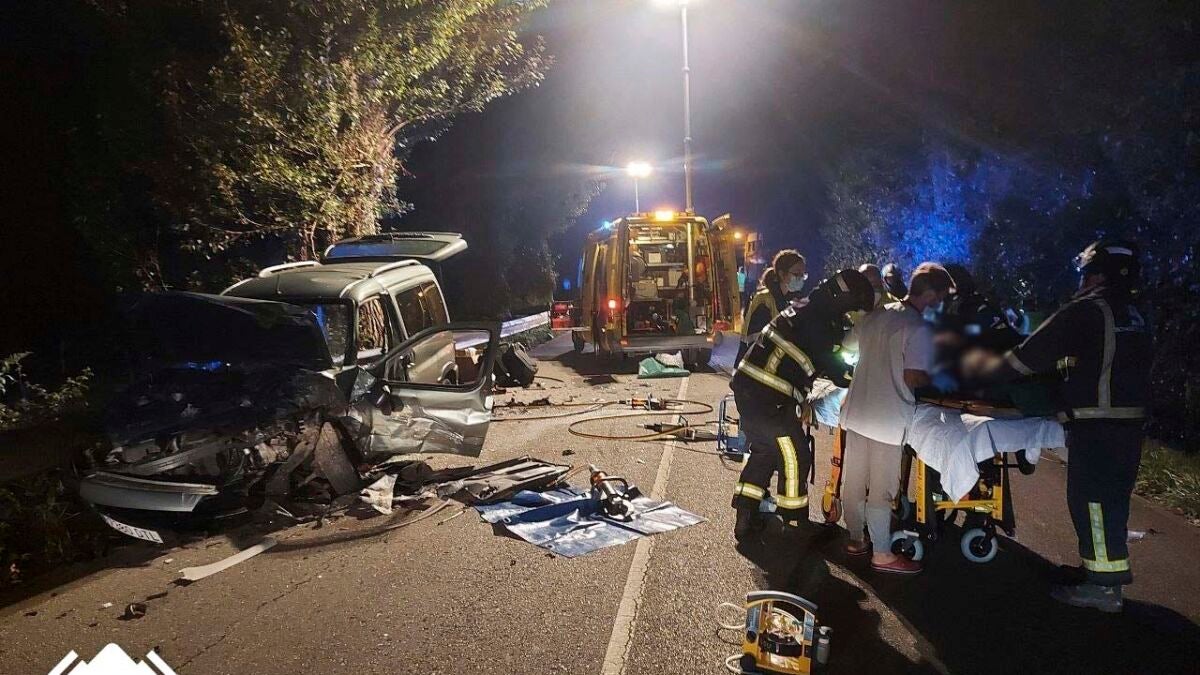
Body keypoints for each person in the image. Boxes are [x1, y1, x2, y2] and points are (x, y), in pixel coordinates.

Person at [964, 240, 1151, 612]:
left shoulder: (1087, 310)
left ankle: (1104, 589)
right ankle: (1098, 570)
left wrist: (982, 375)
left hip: (1097, 424)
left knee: (1092, 502)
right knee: (1112, 500)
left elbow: (1029, 356)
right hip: (1129, 422)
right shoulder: (1135, 313)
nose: (1083, 281)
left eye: (1087, 273)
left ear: (1096, 274)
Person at [731, 269, 876, 542]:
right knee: (796, 456)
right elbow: (838, 372)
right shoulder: (820, 323)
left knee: (765, 451)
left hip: (749, 391)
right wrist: (864, 374)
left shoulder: (807, 308)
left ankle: (745, 514)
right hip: (771, 398)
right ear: (843, 300)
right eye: (852, 309)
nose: (850, 315)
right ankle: (795, 522)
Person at [838, 262, 954, 574]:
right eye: (941, 297)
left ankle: (855, 538)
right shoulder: (918, 328)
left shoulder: (877, 315)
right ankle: (882, 553)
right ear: (930, 295)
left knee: (853, 480)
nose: (941, 304)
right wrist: (937, 376)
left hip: (857, 411)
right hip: (887, 419)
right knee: (882, 489)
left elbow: (848, 345)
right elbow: (913, 377)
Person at [736, 250, 807, 365]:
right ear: (782, 274)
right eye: (796, 274)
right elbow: (758, 341)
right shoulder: (764, 300)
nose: (800, 278)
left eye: (803, 275)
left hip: (768, 367)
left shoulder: (787, 301)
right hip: (752, 367)